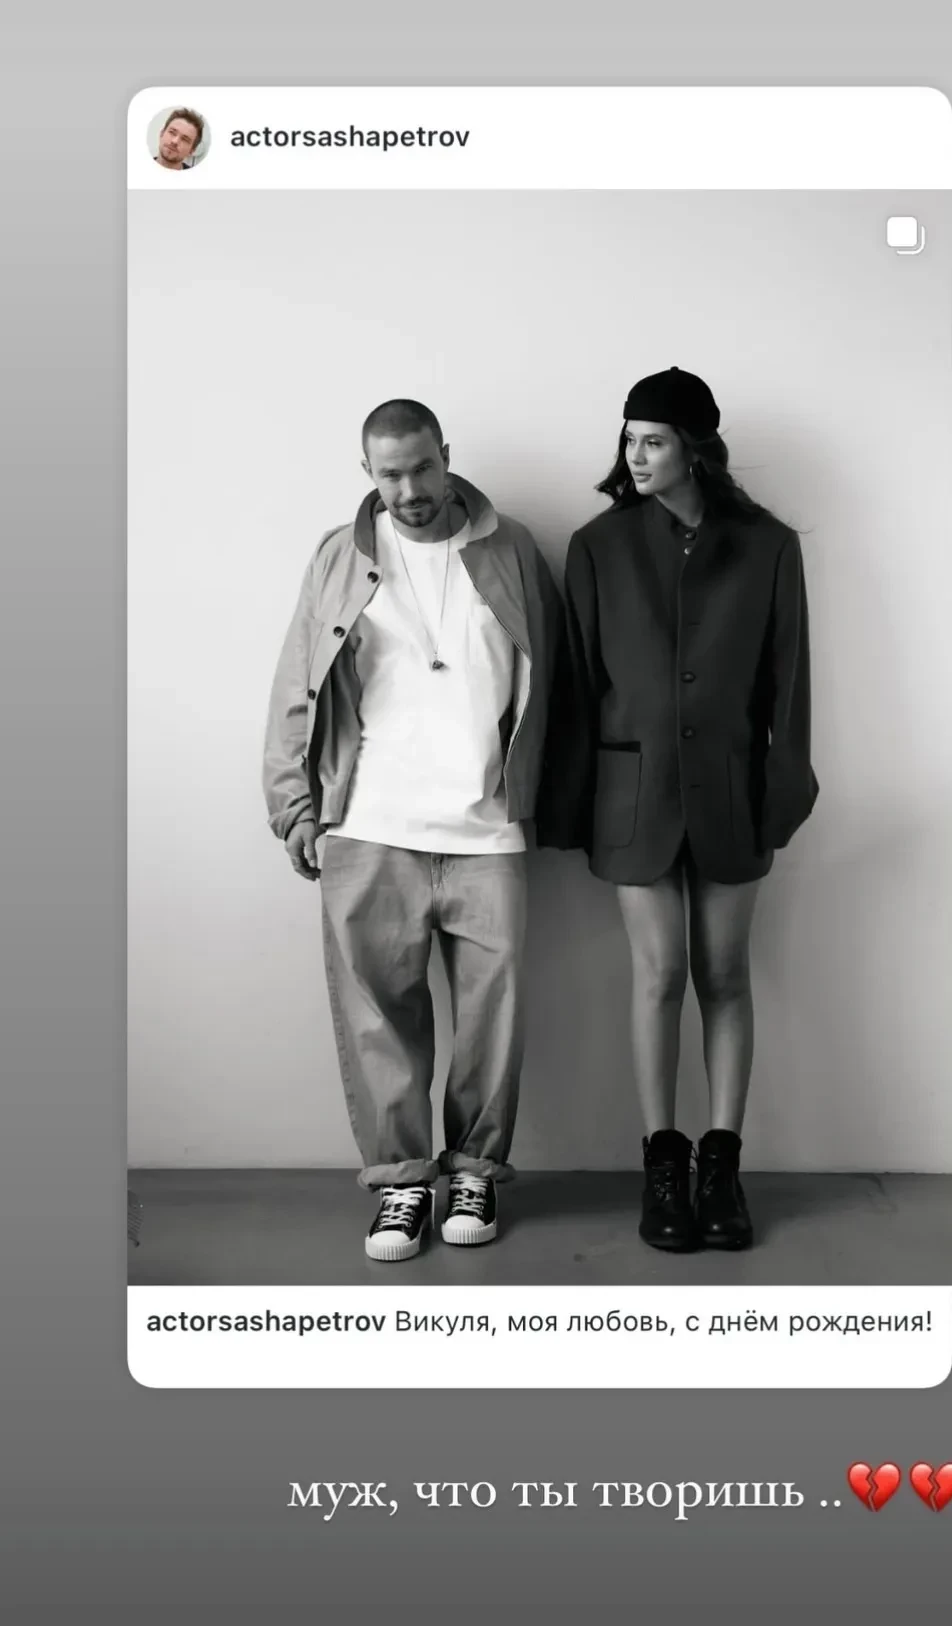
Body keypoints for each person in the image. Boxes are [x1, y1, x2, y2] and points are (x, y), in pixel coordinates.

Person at [263, 400, 562, 1261]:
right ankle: (401, 1184)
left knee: (493, 1018)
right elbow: (296, 686)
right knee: (377, 1019)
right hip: (369, 823)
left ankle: (474, 1171)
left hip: (488, 826)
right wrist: (294, 805)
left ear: (446, 456)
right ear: (369, 474)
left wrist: (554, 801)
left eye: (422, 467)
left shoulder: (510, 548)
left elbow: (557, 682)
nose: (409, 489)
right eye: (389, 474)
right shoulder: (339, 556)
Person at [537, 367, 819, 1253]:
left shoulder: (768, 546)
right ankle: (663, 1165)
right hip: (634, 797)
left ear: (696, 448)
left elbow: (790, 684)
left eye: (653, 441)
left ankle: (721, 1167)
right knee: (658, 974)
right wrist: (571, 805)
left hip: (734, 791)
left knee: (724, 974)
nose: (636, 456)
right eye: (629, 440)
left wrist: (783, 789)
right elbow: (579, 685)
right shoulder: (598, 545)